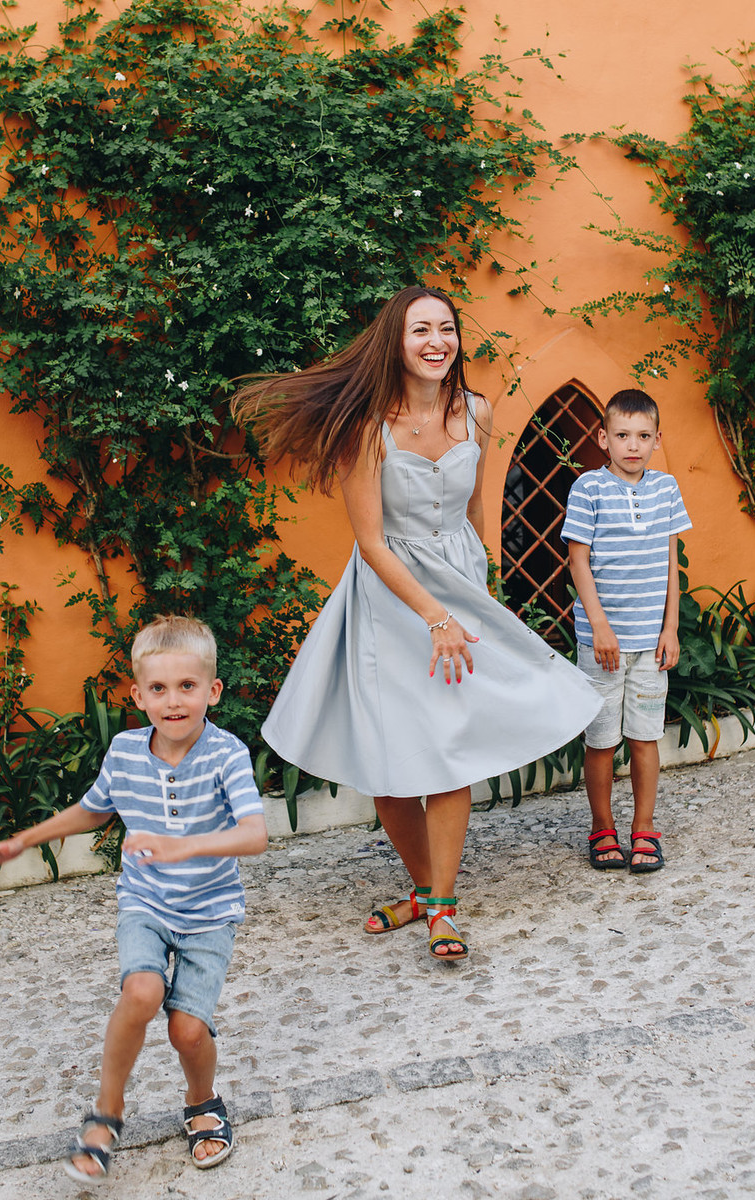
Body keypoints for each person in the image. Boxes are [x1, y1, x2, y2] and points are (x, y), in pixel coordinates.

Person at [236, 285, 600, 961]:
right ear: (395, 345)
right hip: (389, 602)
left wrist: (479, 592)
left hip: (457, 592)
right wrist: (434, 616)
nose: (437, 342)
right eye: (420, 331)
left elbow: (473, 515)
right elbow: (373, 544)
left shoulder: (479, 412)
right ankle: (427, 888)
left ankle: (441, 906)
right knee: (391, 766)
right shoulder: (363, 429)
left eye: (446, 328)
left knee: (448, 753)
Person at [0, 616, 267, 1181]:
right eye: (158, 689)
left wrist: (182, 847)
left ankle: (203, 1102)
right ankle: (107, 1113)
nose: (173, 701)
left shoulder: (226, 754)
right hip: (146, 904)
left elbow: (255, 834)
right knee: (142, 990)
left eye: (187, 687)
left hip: (209, 914)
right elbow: (93, 809)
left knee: (187, 1031)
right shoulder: (126, 751)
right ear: (138, 695)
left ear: (212, 691)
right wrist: (21, 841)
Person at [561, 389, 692, 874]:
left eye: (642, 436)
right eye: (621, 435)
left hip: (649, 645)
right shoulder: (588, 489)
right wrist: (599, 627)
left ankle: (643, 828)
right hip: (603, 646)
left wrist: (670, 629)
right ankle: (601, 827)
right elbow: (578, 559)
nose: (632, 445)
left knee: (643, 738)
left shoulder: (666, 488)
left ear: (657, 439)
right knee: (601, 741)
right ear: (603, 439)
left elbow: (670, 562)